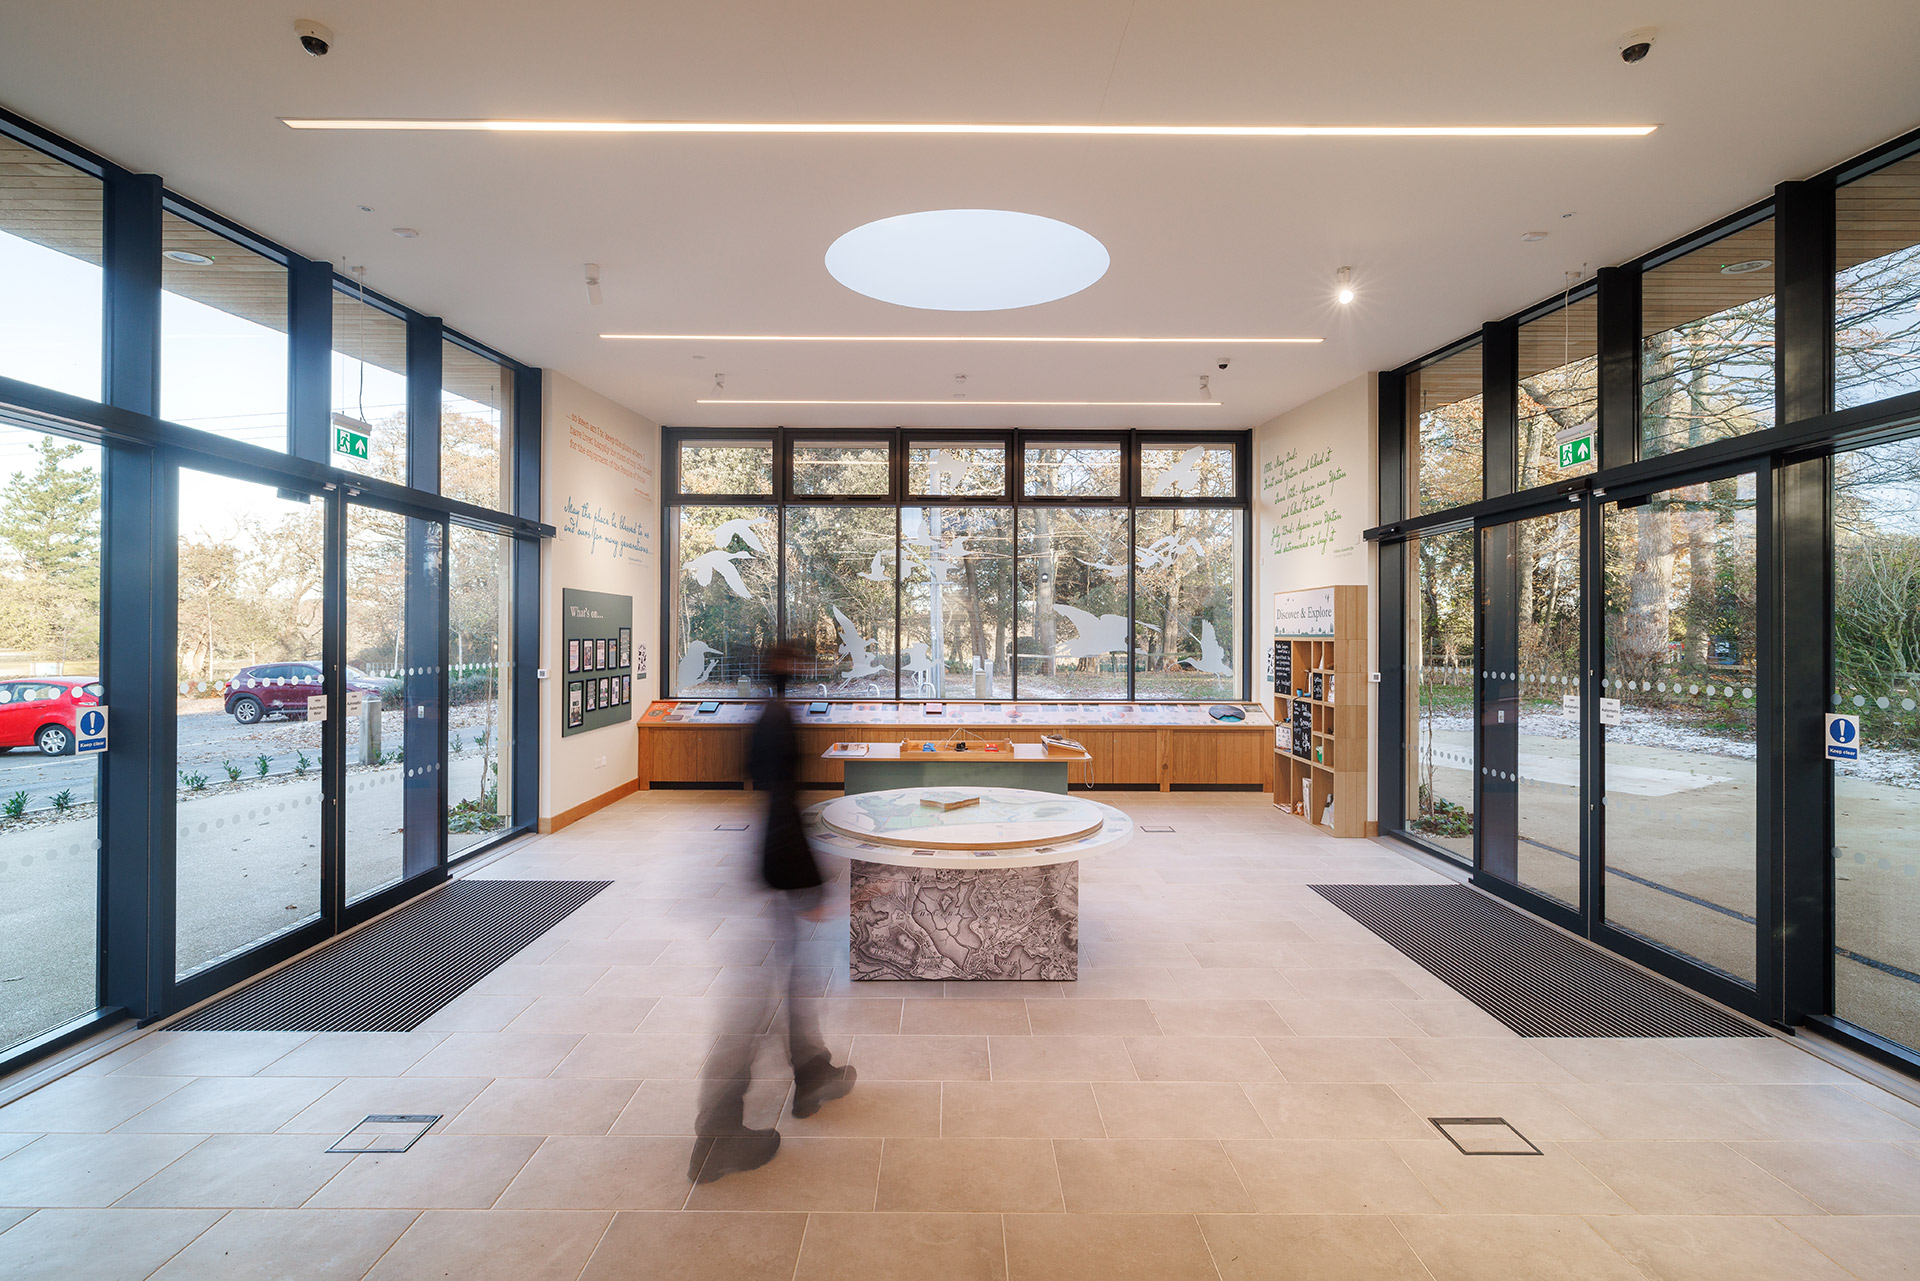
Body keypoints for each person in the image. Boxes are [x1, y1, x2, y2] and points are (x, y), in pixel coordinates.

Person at [689, 642, 856, 1182]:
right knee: (754, 1003)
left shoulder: (769, 713)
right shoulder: (778, 719)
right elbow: (781, 803)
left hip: (771, 867)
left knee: (792, 980)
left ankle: (811, 1072)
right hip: (778, 871)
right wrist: (810, 884)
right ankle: (717, 1135)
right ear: (789, 671)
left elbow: (767, 790)